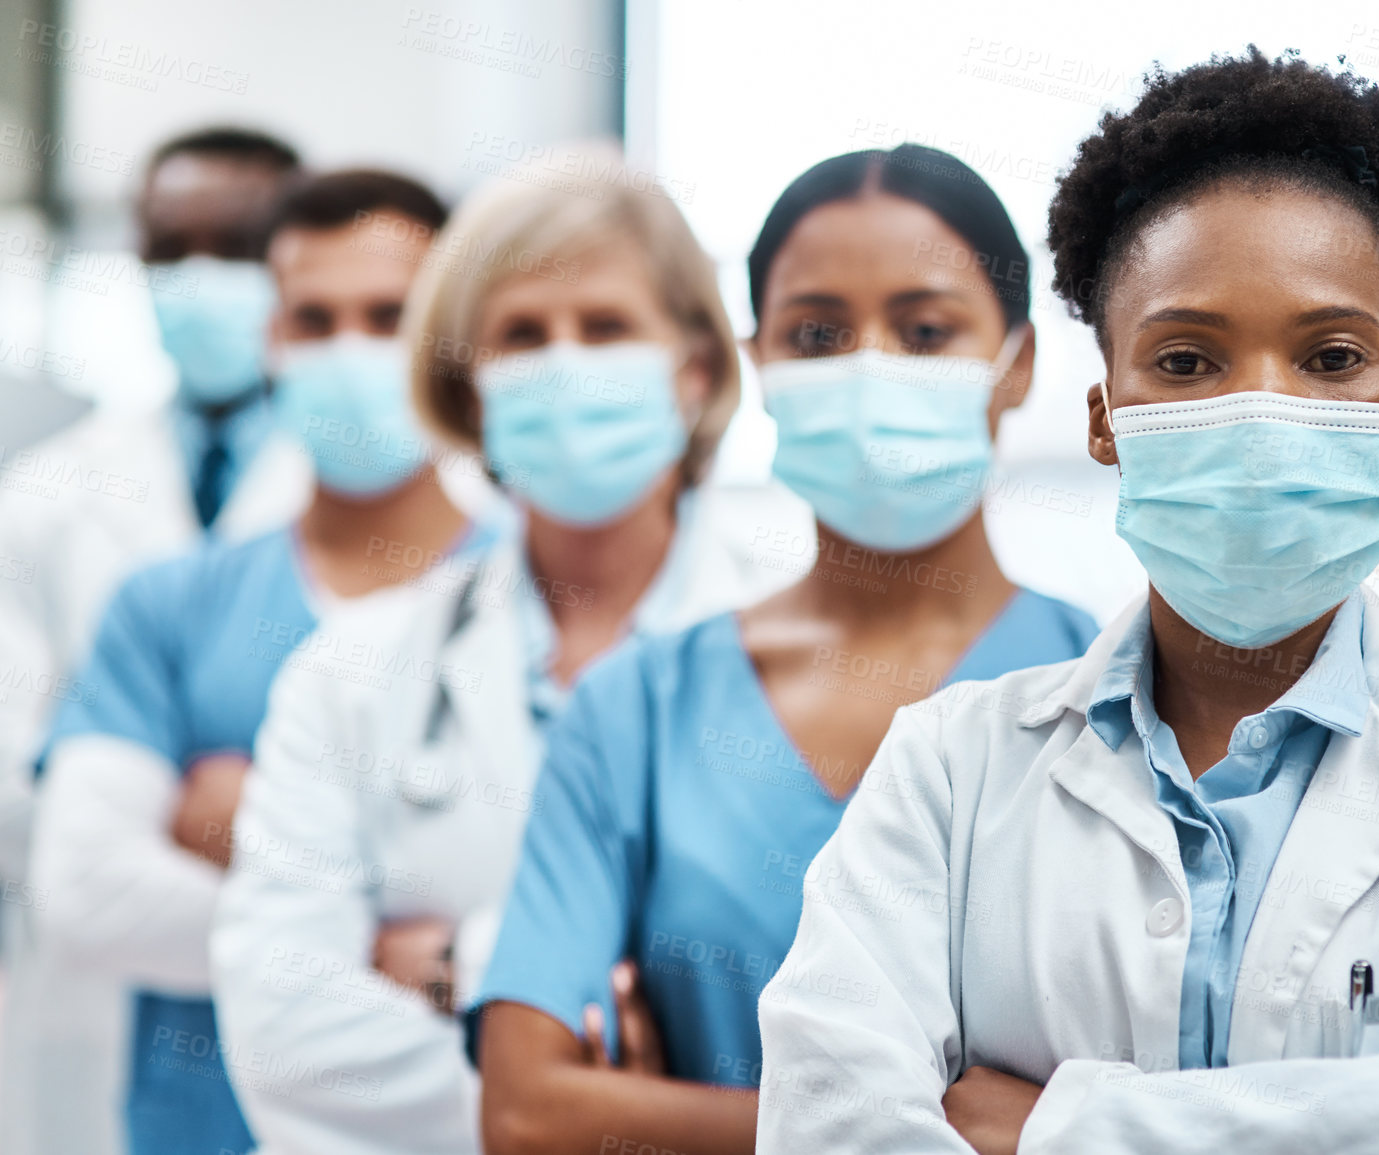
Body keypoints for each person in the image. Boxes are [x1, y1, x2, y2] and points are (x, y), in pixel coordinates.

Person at [755, 49, 1379, 1154]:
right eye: (1189, 359)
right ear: (1106, 419)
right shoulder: (946, 774)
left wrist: (1066, 1127)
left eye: (1333, 354)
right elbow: (829, 1126)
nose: (1262, 407)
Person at [472, 144, 1098, 1155]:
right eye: (818, 333)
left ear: (1017, 362)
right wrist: (947, 1128)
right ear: (758, 363)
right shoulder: (638, 707)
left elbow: (1174, 1094)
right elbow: (528, 1114)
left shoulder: (1110, 694)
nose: (870, 365)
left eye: (926, 329)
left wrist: (663, 1119)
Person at [208, 144, 806, 1155]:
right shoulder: (350, 669)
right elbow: (284, 1032)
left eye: (607, 326)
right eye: (522, 336)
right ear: (471, 388)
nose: (564, 362)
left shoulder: (800, 648)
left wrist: (448, 967)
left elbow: (841, 1022)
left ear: (694, 368)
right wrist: (584, 1104)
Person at [31, 168, 495, 1155]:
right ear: (271, 338)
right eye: (313, 319)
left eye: (389, 316)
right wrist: (386, 944)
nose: (349, 351)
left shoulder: (530, 600)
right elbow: (87, 895)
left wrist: (253, 838)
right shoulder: (171, 604)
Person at [0, 126, 305, 1155]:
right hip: (98, 984)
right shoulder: (43, 500)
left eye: (238, 247)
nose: (200, 279)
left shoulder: (385, 500)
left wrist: (161, 794)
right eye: (170, 251)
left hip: (318, 1009)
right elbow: (15, 775)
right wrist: (192, 817)